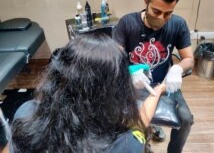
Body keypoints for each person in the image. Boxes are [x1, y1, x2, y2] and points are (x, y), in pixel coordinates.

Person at [10, 33, 166, 153]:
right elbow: (141, 121)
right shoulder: (125, 144)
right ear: (115, 90)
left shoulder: (25, 113)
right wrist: (159, 89)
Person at [113, 0, 194, 153]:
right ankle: (142, 146)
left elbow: (189, 58)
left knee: (186, 119)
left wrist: (177, 68)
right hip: (133, 85)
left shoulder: (178, 24)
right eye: (156, 11)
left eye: (168, 13)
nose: (162, 18)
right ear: (146, 0)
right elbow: (114, 59)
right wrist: (130, 71)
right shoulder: (127, 23)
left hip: (164, 85)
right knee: (124, 120)